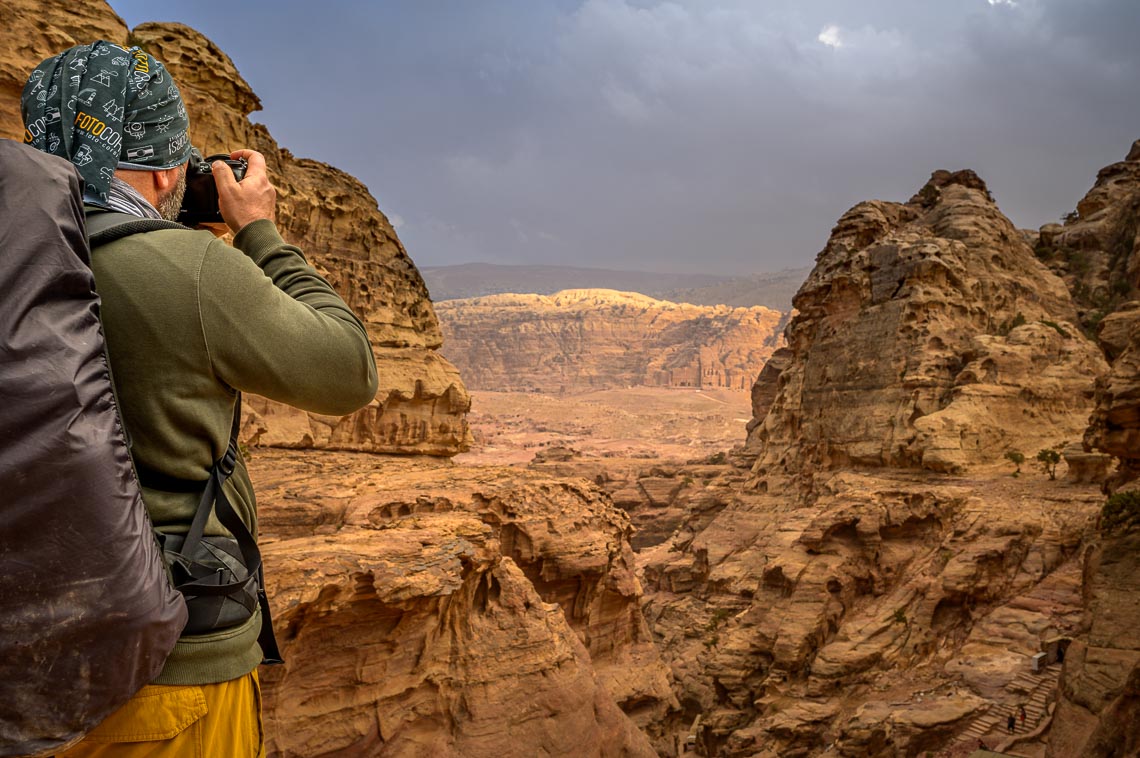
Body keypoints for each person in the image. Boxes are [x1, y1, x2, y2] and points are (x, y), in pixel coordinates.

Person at [20, 41, 378, 756]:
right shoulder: (188, 270)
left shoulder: (20, 257)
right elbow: (347, 371)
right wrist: (256, 231)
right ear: (162, 166)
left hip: (37, 654)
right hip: (175, 666)